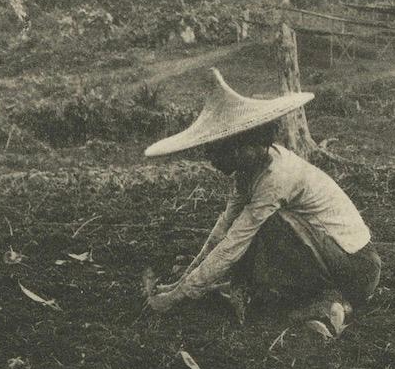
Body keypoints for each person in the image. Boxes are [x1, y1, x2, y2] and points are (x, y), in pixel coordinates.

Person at [143, 70, 381, 332]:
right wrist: (181, 283)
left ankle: (328, 299)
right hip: (328, 254)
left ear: (247, 146)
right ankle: (272, 293)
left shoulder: (277, 176)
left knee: (268, 223)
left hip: (356, 268)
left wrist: (180, 296)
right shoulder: (248, 172)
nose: (214, 160)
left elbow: (235, 242)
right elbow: (223, 229)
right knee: (250, 226)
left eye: (221, 151)